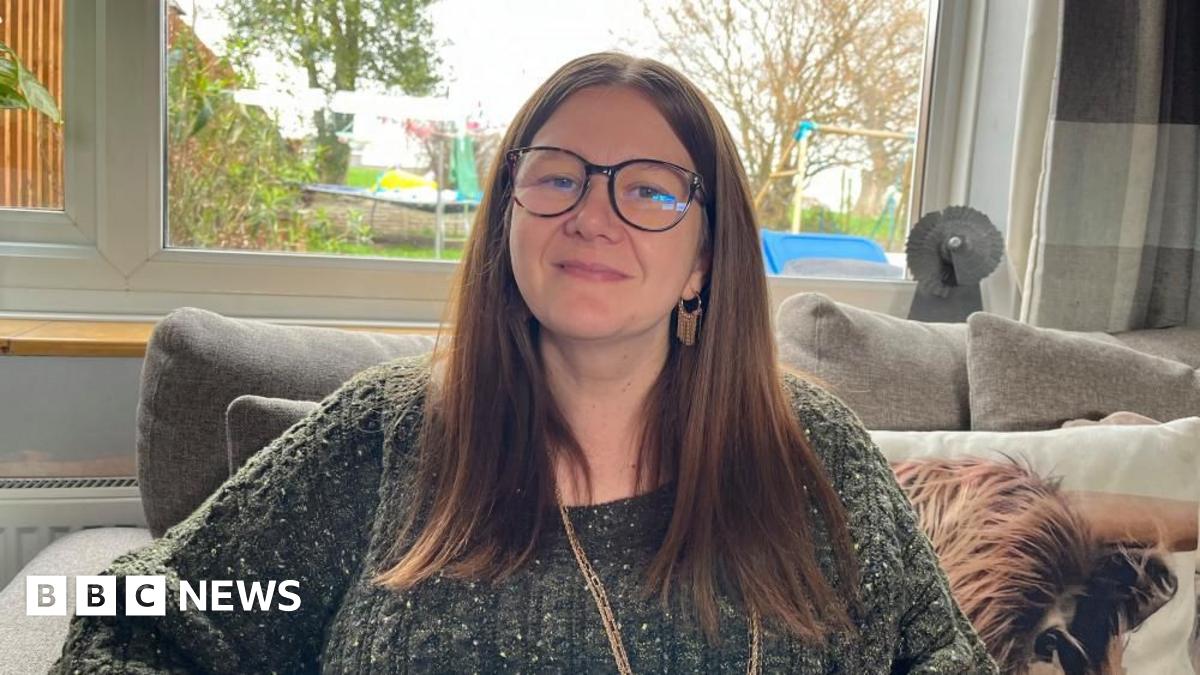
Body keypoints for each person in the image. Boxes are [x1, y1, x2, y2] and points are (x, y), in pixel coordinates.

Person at [51, 52, 998, 673]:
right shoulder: (390, 430)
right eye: (557, 176)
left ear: (705, 258)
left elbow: (942, 656)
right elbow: (128, 610)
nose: (593, 213)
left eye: (651, 192)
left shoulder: (808, 451)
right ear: (509, 213)